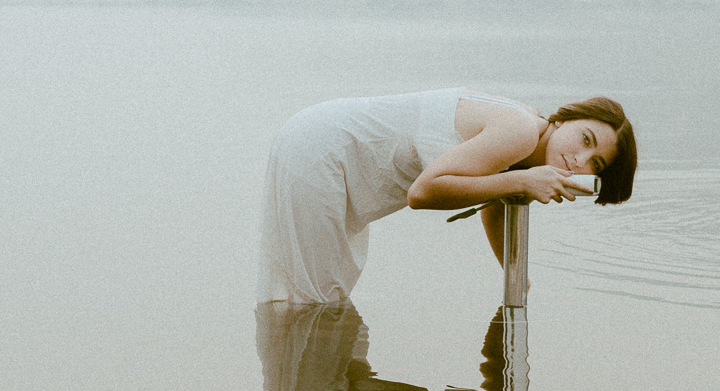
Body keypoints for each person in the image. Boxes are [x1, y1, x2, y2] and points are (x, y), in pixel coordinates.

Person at [257, 89, 636, 305]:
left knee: (317, 297)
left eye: (596, 164)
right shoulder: (520, 129)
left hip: (330, 152)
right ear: (564, 119)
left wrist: (516, 278)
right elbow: (422, 193)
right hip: (324, 150)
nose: (580, 159)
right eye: (585, 139)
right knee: (315, 300)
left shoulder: (527, 151)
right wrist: (522, 180)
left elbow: (494, 209)